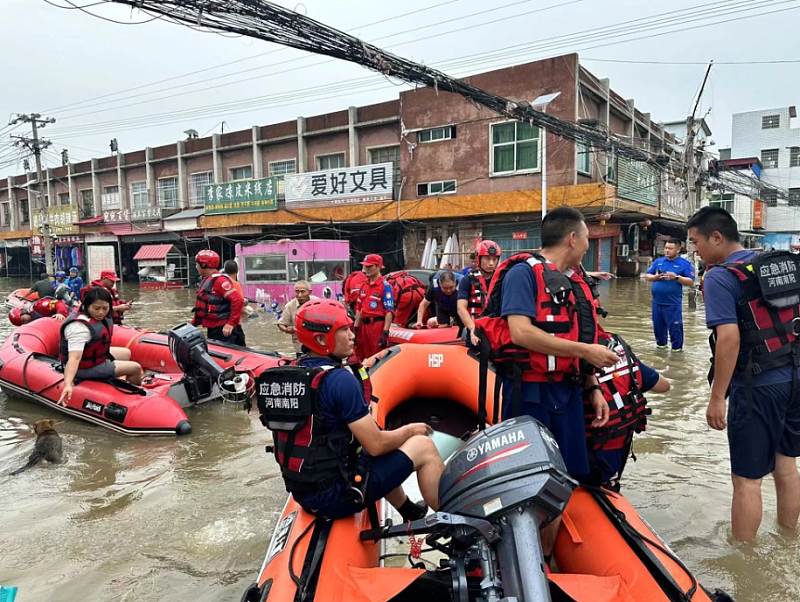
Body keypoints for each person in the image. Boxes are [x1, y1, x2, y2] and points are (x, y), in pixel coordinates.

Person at [258, 299, 443, 520]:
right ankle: (455, 524)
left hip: (303, 492)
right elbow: (377, 445)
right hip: (337, 496)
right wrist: (410, 430)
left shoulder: (291, 374)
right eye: (344, 330)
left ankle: (408, 511)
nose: (352, 335)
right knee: (424, 446)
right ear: (320, 338)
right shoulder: (339, 380)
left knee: (368, 450)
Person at [688, 206, 800, 541]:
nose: (694, 250)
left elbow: (729, 339)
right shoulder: (777, 263)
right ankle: (788, 539)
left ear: (717, 237)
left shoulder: (720, 277)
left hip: (757, 387)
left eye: (696, 242)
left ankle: (745, 563)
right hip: (795, 375)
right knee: (787, 465)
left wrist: (716, 398)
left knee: (747, 481)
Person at [583, 331, 670, 488]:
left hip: (588, 462)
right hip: (614, 458)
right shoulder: (622, 351)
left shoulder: (572, 356)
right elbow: (664, 386)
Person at [57, 286, 143, 406]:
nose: (101, 312)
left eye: (105, 308)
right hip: (84, 368)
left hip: (94, 356)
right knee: (135, 368)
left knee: (126, 353)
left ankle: (117, 380)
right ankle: (136, 399)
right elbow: (74, 359)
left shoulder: (100, 315)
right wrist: (67, 384)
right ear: (86, 306)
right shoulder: (79, 328)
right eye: (96, 308)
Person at [644, 238, 695, 351]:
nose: (667, 250)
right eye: (666, 248)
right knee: (658, 331)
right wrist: (656, 277)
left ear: (678, 250)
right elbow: (647, 276)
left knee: (675, 330)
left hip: (672, 304)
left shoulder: (684, 264)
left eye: (670, 248)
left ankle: (677, 356)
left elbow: (691, 282)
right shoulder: (659, 262)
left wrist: (676, 277)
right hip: (656, 303)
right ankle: (661, 354)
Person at [192, 250, 244, 345]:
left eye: (197, 264)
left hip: (223, 330)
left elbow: (238, 300)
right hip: (213, 328)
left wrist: (230, 324)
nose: (196, 267)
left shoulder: (220, 281)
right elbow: (203, 306)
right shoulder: (207, 280)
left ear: (204, 265)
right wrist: (192, 325)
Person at [457, 240, 501, 345]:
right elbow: (461, 308)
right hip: (475, 328)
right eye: (487, 259)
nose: (491, 263)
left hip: (497, 329)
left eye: (494, 259)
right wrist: (472, 329)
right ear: (478, 259)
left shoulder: (501, 279)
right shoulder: (467, 280)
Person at [353, 254, 394, 361]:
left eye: (370, 267)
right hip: (363, 326)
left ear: (379, 266)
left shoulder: (385, 286)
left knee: (376, 357)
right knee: (361, 356)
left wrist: (385, 332)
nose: (366, 269)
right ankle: (364, 377)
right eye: (365, 266)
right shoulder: (363, 285)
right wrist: (356, 328)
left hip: (376, 325)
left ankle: (377, 378)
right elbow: (359, 308)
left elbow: (389, 311)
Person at [277, 280, 319, 355]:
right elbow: (281, 323)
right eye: (297, 292)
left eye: (303, 292)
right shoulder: (290, 306)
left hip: (317, 342)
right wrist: (287, 330)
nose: (299, 295)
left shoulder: (318, 302)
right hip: (300, 345)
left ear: (310, 292)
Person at [223, 259, 248, 346]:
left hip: (220, 323)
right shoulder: (235, 284)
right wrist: (245, 301)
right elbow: (240, 302)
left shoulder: (219, 283)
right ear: (237, 271)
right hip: (233, 325)